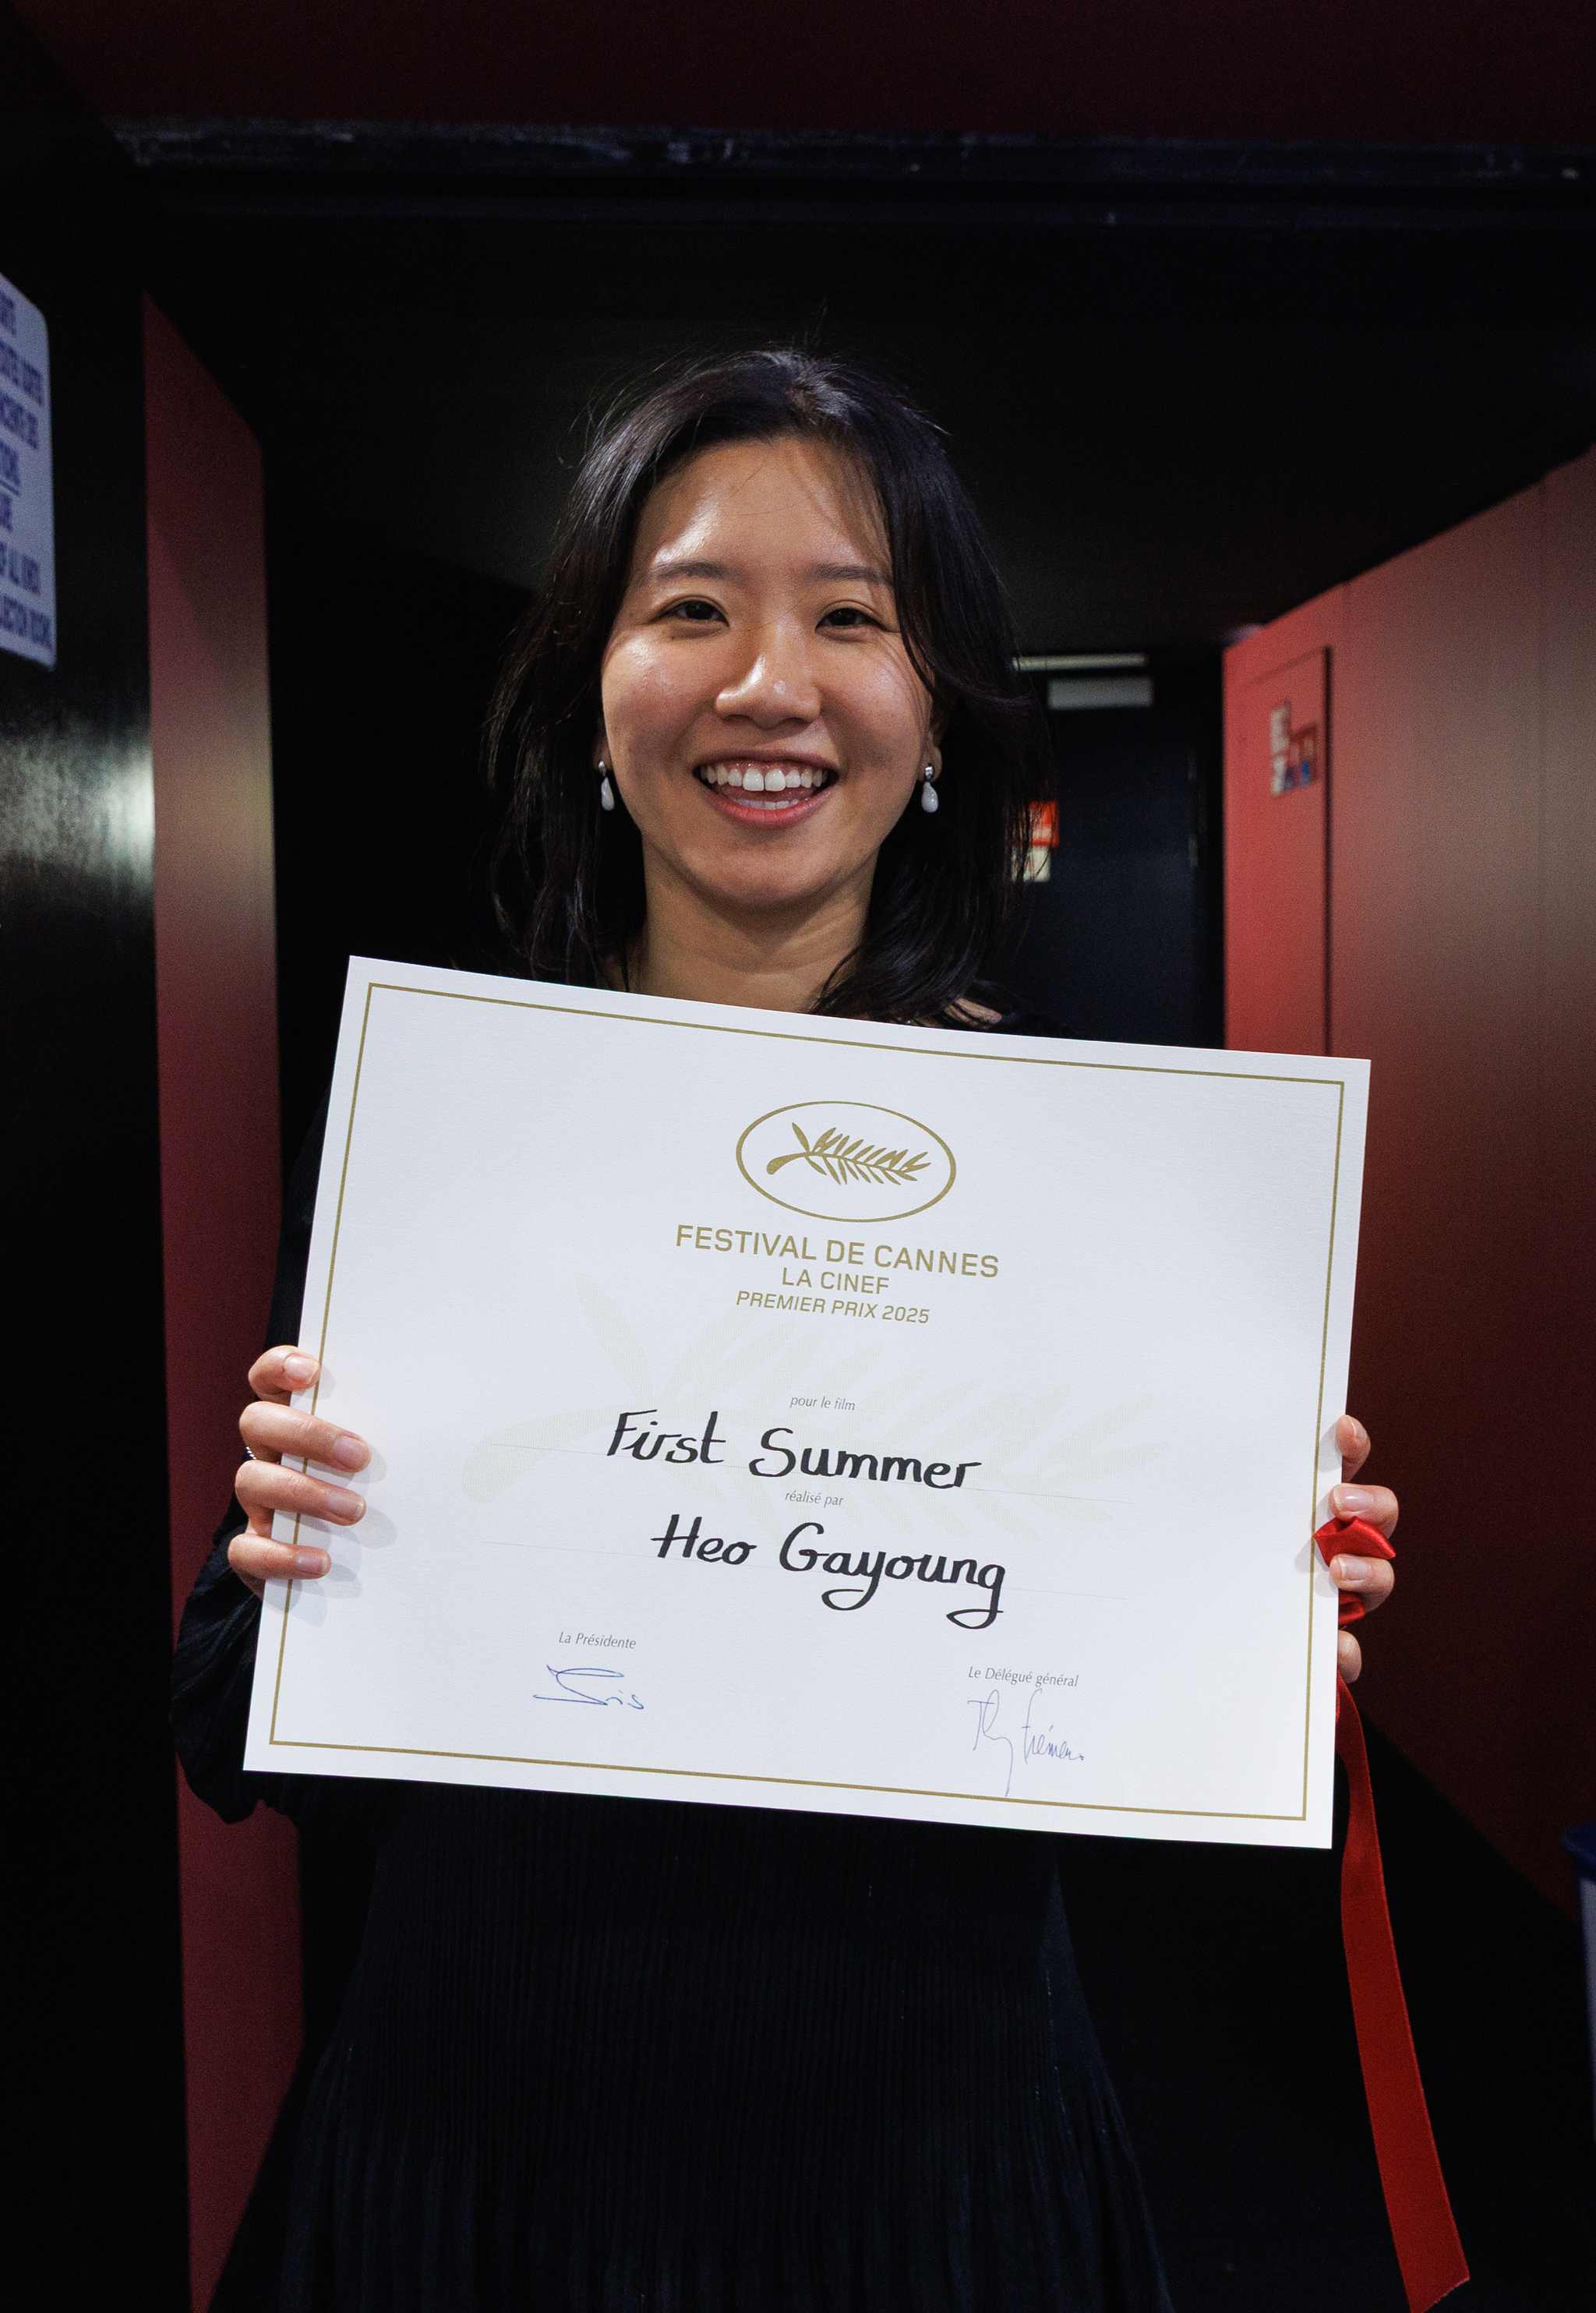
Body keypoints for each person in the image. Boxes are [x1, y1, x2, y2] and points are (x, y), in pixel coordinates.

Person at [173, 351, 1397, 2312]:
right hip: (479, 2169)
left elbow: (1182, 1787)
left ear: (936, 725)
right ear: (593, 694)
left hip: (932, 2183)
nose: (769, 683)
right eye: (690, 610)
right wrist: (296, 1569)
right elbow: (240, 1735)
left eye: (851, 616)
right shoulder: (454, 1125)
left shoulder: (1099, 1186)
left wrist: (1248, 1611)